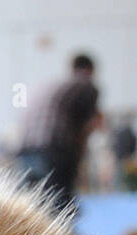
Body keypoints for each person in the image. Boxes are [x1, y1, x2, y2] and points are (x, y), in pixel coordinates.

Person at [17, 52, 102, 215]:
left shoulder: (51, 85)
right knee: (60, 210)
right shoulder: (87, 85)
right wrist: (79, 164)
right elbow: (86, 127)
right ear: (90, 70)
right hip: (54, 150)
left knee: (31, 209)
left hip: (25, 150)